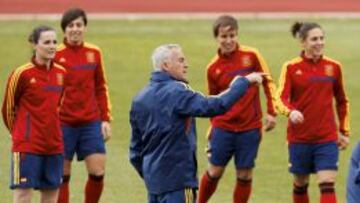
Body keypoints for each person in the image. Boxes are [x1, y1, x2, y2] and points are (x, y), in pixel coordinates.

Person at [129, 44, 266, 203]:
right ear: (166, 65)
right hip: (179, 184)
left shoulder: (139, 99)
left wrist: (152, 176)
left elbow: (135, 151)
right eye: (180, 60)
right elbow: (215, 106)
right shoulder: (177, 92)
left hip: (154, 187)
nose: (186, 64)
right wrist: (243, 82)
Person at [198, 15, 277, 203]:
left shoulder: (252, 56)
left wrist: (272, 112)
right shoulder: (213, 68)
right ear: (216, 38)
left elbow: (268, 81)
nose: (228, 41)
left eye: (232, 35)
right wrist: (214, 127)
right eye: (224, 36)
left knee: (245, 173)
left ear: (237, 34)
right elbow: (213, 101)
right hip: (223, 128)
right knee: (215, 171)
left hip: (249, 127)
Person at [276, 22, 350, 203]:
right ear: (303, 42)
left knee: (327, 182)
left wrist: (344, 131)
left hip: (326, 137)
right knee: (300, 183)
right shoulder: (291, 67)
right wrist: (291, 112)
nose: (319, 43)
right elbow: (279, 99)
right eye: (314, 39)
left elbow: (342, 101)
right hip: (299, 138)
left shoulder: (334, 67)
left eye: (321, 38)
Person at [2, 25, 66, 203]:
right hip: (27, 145)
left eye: (54, 42)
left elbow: (58, 105)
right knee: (23, 196)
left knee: (51, 195)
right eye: (46, 42)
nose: (52, 46)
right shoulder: (21, 74)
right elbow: (7, 108)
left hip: (54, 145)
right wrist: (20, 133)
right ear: (34, 45)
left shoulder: (61, 73)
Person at [54, 8, 112, 203]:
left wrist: (105, 119)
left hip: (90, 122)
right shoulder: (55, 55)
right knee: (62, 175)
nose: (75, 29)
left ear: (85, 28)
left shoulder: (94, 53)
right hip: (63, 123)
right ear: (64, 30)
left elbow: (100, 87)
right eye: (71, 25)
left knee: (98, 172)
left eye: (79, 25)